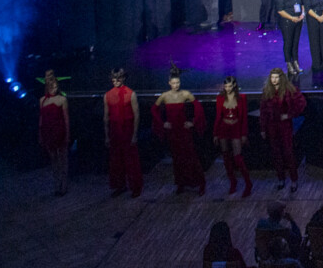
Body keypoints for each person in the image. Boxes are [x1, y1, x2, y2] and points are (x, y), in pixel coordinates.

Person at [152, 65, 206, 196]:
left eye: (178, 83)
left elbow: (198, 107)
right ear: (169, 83)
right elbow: (154, 109)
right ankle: (181, 183)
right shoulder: (164, 96)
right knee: (177, 158)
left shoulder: (185, 94)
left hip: (184, 130)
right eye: (174, 83)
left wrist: (193, 122)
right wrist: (163, 123)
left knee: (191, 156)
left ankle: (200, 184)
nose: (176, 85)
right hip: (173, 131)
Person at [261, 67, 307, 191]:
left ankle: (294, 180)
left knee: (288, 152)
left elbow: (301, 103)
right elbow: (263, 111)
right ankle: (281, 179)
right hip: (271, 125)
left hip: (284, 125)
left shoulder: (289, 90)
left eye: (276, 77)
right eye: (272, 77)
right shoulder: (267, 91)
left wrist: (289, 115)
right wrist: (263, 129)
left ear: (281, 78)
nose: (274, 80)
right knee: (276, 153)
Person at [103, 68, 143, 198]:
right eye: (113, 79)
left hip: (127, 129)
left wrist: (134, 134)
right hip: (115, 130)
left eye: (118, 78)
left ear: (123, 78)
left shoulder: (131, 94)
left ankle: (135, 187)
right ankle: (120, 185)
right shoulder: (108, 95)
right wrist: (107, 135)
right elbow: (106, 117)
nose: (115, 81)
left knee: (131, 160)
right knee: (116, 160)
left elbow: (136, 115)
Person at [214, 76, 253, 198]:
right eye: (226, 86)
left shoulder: (241, 98)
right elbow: (218, 116)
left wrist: (243, 134)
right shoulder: (220, 98)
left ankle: (248, 183)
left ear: (234, 85)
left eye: (230, 86)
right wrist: (215, 133)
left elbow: (244, 118)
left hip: (236, 128)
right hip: (224, 128)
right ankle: (233, 182)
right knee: (226, 157)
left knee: (238, 158)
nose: (227, 88)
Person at [37, 69, 69, 196]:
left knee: (62, 159)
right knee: (54, 160)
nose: (54, 89)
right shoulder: (42, 100)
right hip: (48, 132)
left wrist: (67, 134)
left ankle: (63, 185)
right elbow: (41, 118)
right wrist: (40, 134)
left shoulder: (62, 99)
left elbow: (66, 119)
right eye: (52, 87)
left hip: (59, 131)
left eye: (56, 86)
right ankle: (57, 184)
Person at [273, 0, 304, 77]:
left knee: (295, 42)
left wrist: (302, 14)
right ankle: (289, 63)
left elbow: (301, 3)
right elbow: (280, 10)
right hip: (287, 22)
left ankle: (295, 61)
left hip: (298, 21)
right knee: (288, 42)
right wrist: (291, 18)